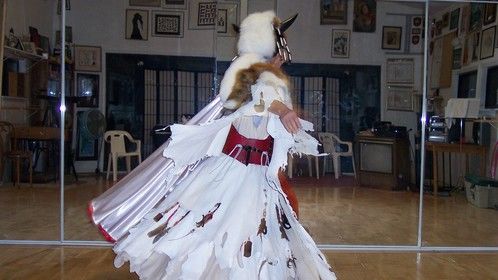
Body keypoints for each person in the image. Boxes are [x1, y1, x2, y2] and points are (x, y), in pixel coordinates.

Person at [88, 10, 336, 279]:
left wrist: (284, 104)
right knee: (218, 224)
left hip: (256, 170)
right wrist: (283, 109)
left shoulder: (262, 73)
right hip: (237, 167)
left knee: (246, 227)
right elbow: (261, 100)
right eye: (282, 43)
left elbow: (263, 104)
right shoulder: (250, 71)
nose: (286, 49)